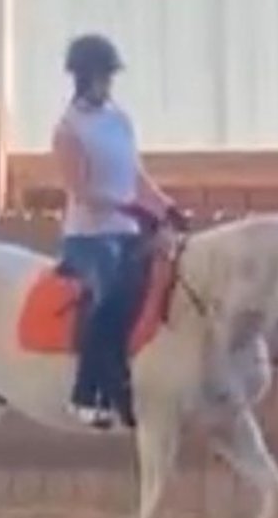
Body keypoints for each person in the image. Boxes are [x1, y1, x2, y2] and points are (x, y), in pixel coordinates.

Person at [52, 34, 187, 429]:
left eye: (109, 78)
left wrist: (166, 207)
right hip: (89, 237)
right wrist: (127, 205)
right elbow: (81, 191)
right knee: (112, 291)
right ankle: (87, 390)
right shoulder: (68, 129)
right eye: (102, 77)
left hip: (127, 228)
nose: (107, 85)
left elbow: (136, 177)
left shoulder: (119, 120)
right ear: (84, 77)